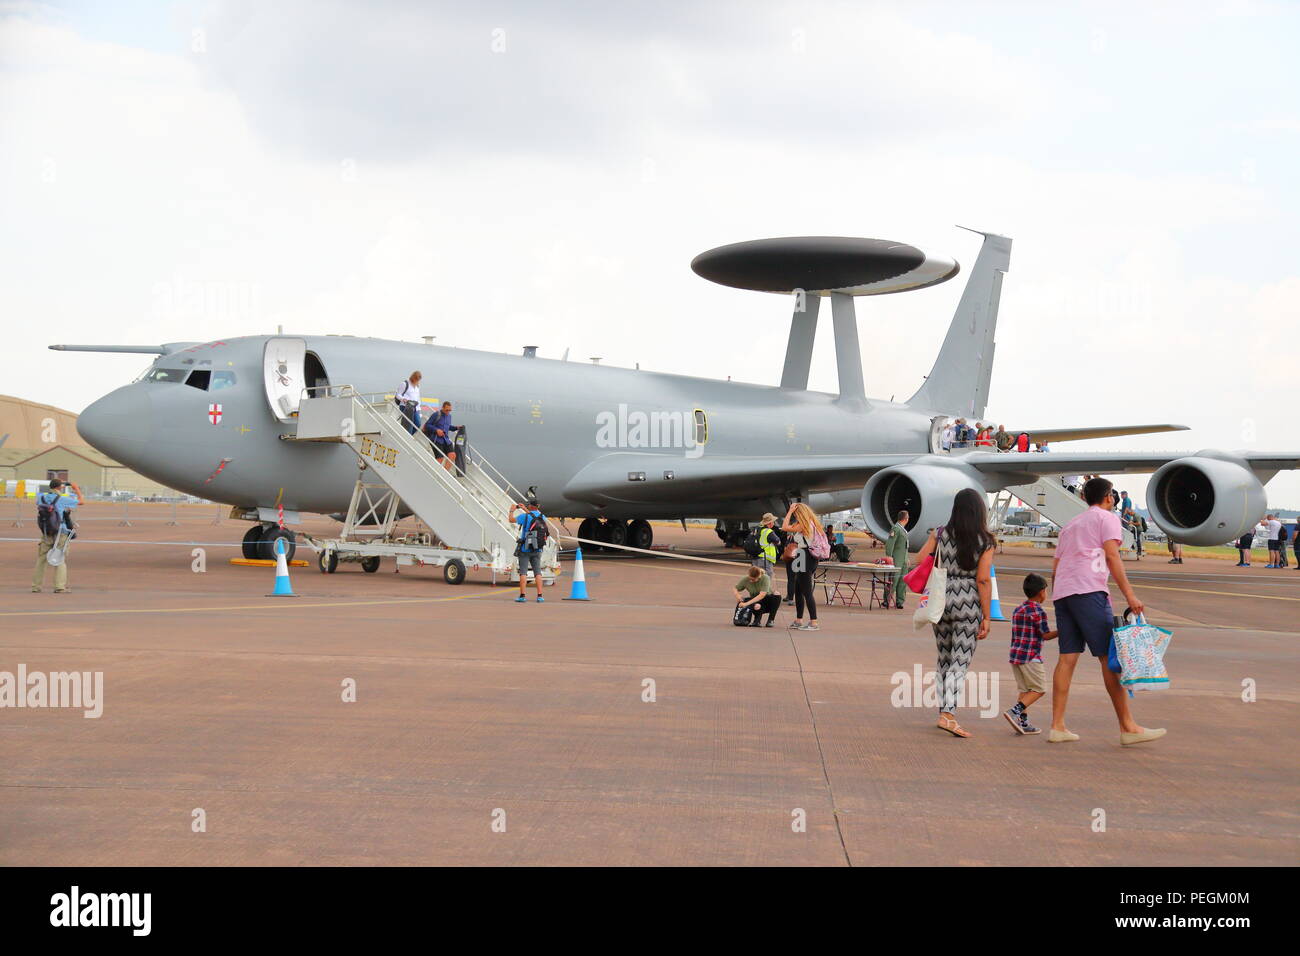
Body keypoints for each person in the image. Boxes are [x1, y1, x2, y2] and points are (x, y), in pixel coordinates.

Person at [1048, 477, 1164, 746]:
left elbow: (1056, 567)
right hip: (1089, 591)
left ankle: (1057, 726)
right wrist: (1130, 595)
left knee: (1067, 659)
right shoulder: (1107, 518)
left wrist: (1061, 598)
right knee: (1107, 657)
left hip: (1064, 594)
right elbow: (1112, 556)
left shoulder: (1071, 525)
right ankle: (1128, 727)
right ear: (1109, 497)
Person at [912, 488, 995, 738]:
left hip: (941, 597)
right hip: (968, 601)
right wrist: (987, 616)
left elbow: (918, 560)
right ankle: (948, 714)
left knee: (944, 658)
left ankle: (943, 711)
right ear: (980, 510)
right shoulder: (986, 540)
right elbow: (983, 580)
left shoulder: (939, 533)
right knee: (960, 659)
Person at [1005, 572, 1058, 735]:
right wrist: (1062, 631)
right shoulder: (1038, 611)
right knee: (1039, 689)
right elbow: (1046, 635)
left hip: (1016, 656)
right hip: (1031, 657)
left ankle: (1023, 722)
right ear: (1042, 592)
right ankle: (1014, 712)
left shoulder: (1018, 609)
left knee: (1025, 689)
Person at [32, 479, 83, 593]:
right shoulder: (62, 499)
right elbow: (81, 501)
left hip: (46, 531)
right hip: (61, 532)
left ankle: (36, 586)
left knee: (41, 559)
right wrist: (76, 488)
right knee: (60, 559)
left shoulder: (42, 497)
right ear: (60, 487)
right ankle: (59, 586)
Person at [781, 502, 824, 631]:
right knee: (798, 590)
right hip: (800, 554)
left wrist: (789, 512)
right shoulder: (807, 523)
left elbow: (784, 527)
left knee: (806, 591)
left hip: (805, 556)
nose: (794, 515)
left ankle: (814, 622)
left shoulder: (804, 524)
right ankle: (799, 619)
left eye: (795, 513)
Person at [510, 498, 548, 603]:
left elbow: (511, 520)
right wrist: (526, 510)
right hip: (538, 548)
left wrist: (512, 510)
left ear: (530, 506)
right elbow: (534, 518)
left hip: (525, 548)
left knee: (523, 572)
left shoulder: (524, 516)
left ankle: (522, 596)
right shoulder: (542, 517)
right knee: (537, 572)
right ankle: (540, 596)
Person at [882, 509, 909, 610]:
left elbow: (904, 546)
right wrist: (889, 556)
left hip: (903, 560)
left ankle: (899, 601)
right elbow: (890, 543)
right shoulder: (896, 528)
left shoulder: (903, 529)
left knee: (902, 581)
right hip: (897, 559)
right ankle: (886, 600)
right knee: (893, 580)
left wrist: (907, 558)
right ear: (905, 518)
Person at [423, 400, 460, 471]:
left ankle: (444, 473)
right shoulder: (436, 414)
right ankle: (434, 473)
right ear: (442, 408)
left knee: (452, 455)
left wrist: (456, 428)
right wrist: (436, 430)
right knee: (440, 458)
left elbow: (447, 426)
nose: (448, 412)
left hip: (445, 439)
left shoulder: (449, 416)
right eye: (446, 410)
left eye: (450, 410)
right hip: (436, 439)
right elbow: (427, 425)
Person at [754, 512, 779, 577]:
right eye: (773, 521)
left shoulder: (759, 530)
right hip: (765, 559)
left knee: (759, 577)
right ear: (770, 523)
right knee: (767, 577)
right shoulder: (769, 532)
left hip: (758, 557)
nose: (774, 523)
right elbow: (778, 541)